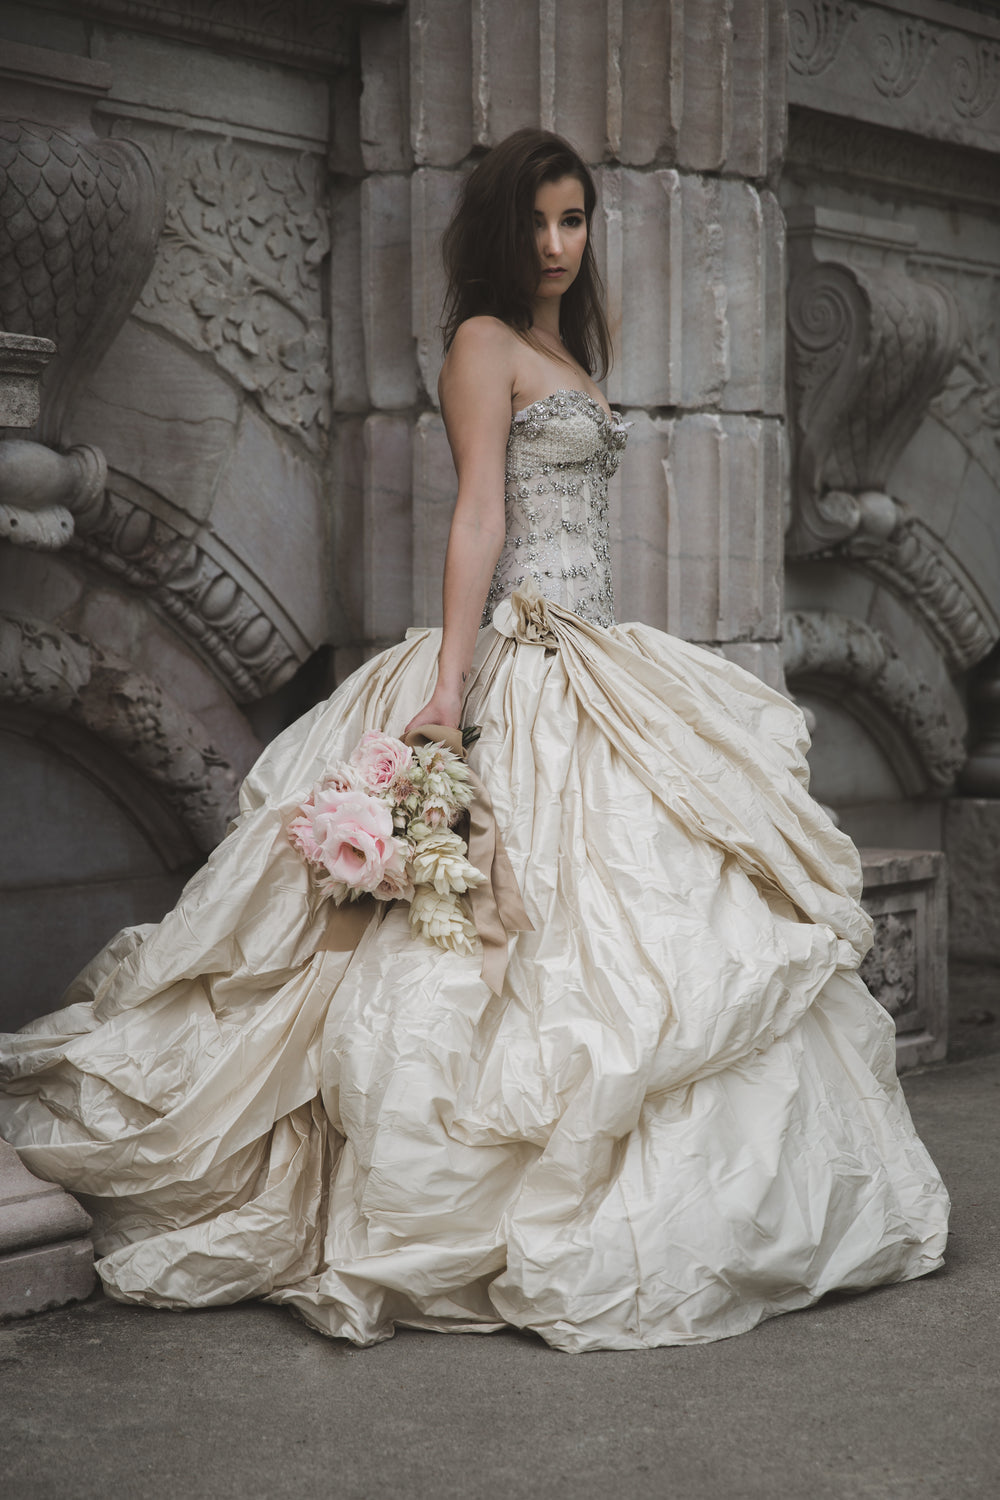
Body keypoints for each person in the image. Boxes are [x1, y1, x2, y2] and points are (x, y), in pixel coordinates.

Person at [0, 129, 948, 1353]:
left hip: (598, 650)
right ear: (503, 229)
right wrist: (449, 691)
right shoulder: (480, 345)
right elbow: (479, 518)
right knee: (481, 938)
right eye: (540, 223)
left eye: (575, 221)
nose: (558, 247)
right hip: (523, 647)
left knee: (661, 923)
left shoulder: (562, 346)